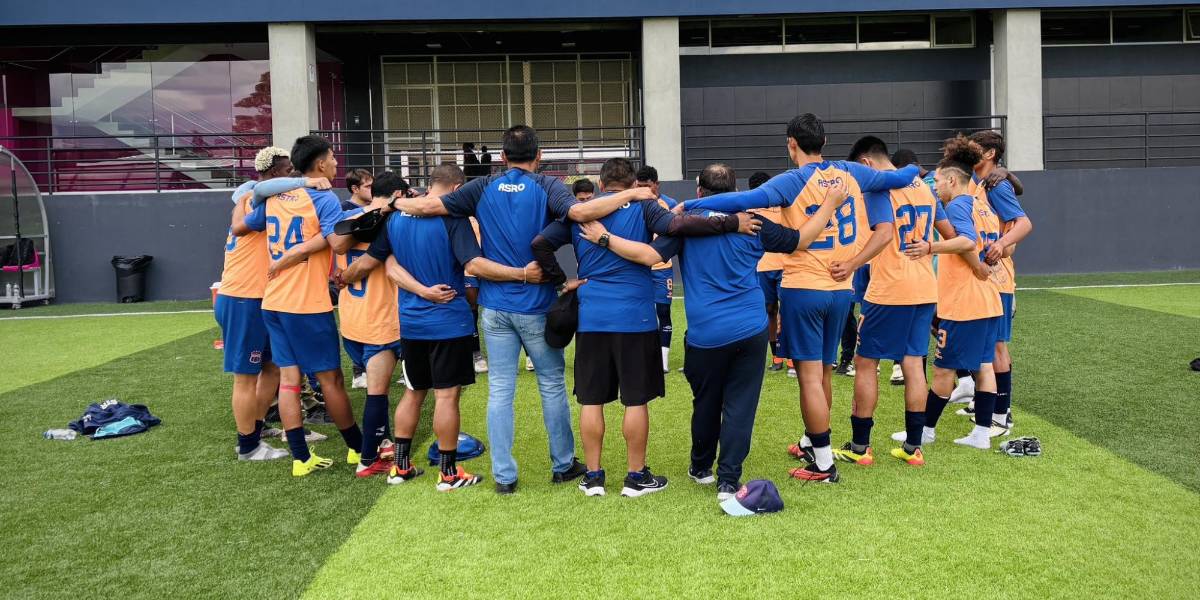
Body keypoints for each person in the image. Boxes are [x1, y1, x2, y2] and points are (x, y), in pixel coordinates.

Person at [385, 125, 654, 494]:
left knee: (500, 390)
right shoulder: (546, 185)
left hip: (494, 307)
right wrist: (637, 194)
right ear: (539, 156)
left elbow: (429, 205)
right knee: (551, 385)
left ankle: (504, 476)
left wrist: (396, 202)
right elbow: (581, 212)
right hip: (536, 305)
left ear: (502, 157)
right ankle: (562, 465)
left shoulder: (482, 186)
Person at [580, 163, 844, 501]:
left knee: (706, 402)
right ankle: (728, 480)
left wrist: (604, 238)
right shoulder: (753, 223)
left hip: (705, 334)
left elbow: (649, 256)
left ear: (699, 191)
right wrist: (830, 203)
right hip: (749, 330)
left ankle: (702, 467)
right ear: (736, 191)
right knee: (740, 406)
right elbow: (801, 239)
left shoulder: (687, 225)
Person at [681, 113, 920, 484]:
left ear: (791, 143)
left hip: (804, 286)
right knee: (823, 371)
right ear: (823, 143)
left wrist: (690, 207)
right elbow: (900, 176)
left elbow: (743, 199)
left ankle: (823, 464)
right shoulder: (851, 172)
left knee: (809, 376)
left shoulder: (792, 180)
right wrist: (917, 169)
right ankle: (814, 440)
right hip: (842, 287)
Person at [532, 157, 756, 498]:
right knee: (635, 400)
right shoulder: (645, 208)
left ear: (602, 184)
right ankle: (635, 477)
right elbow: (679, 227)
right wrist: (730, 223)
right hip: (634, 317)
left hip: (592, 318)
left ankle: (593, 477)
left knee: (591, 400)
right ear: (633, 183)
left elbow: (540, 244)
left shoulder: (582, 212)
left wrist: (564, 281)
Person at [339, 168, 533, 491]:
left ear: (430, 185)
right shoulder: (452, 218)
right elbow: (472, 266)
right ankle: (448, 472)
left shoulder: (395, 219)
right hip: (449, 320)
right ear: (456, 188)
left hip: (411, 324)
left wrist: (347, 280)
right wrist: (522, 275)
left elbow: (384, 265)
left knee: (415, 392)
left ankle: (400, 468)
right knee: (447, 396)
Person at [231, 135, 364, 477]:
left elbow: (244, 225)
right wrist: (368, 220)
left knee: (289, 379)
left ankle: (301, 458)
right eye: (333, 158)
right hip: (305, 302)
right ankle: (358, 449)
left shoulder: (275, 194)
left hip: (273, 300)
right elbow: (337, 244)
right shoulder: (323, 197)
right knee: (331, 379)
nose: (337, 164)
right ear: (320, 164)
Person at [832, 136, 945, 467]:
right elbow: (949, 233)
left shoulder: (878, 189)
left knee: (867, 362)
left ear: (866, 163)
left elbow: (883, 235)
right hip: (924, 287)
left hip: (891, 289)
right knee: (913, 362)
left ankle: (860, 446)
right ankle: (913, 447)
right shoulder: (924, 187)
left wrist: (851, 265)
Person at [890, 135, 1003, 451]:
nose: (934, 185)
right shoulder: (982, 206)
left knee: (942, 370)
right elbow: (992, 246)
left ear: (953, 180)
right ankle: (981, 433)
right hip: (987, 298)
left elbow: (966, 242)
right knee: (983, 366)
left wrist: (930, 247)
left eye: (938, 180)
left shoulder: (958, 207)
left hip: (964, 303)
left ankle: (925, 431)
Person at [218, 146, 329, 461]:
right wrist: (306, 184)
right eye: (289, 171)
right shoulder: (255, 195)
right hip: (244, 297)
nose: (293, 176)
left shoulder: (255, 198)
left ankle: (257, 426)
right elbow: (258, 189)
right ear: (278, 173)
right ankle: (248, 446)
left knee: (273, 368)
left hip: (259, 296)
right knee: (246, 374)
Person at [330, 171, 407, 478]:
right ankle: (368, 459)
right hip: (379, 317)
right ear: (397, 196)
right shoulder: (389, 221)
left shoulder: (351, 216)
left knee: (378, 390)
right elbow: (372, 262)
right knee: (378, 391)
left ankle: (384, 443)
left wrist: (341, 278)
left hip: (351, 318)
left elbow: (336, 245)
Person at [967, 130, 1033, 436]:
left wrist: (1000, 244)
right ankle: (986, 404)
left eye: (974, 148)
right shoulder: (981, 182)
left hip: (998, 278)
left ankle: (1002, 415)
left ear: (990, 153)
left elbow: (1023, 224)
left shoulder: (997, 185)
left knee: (995, 346)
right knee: (983, 344)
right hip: (983, 276)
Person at [636, 165, 678, 373]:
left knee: (663, 311)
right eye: (640, 186)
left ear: (656, 185)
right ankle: (642, 355)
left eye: (648, 186)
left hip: (662, 268)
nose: (644, 190)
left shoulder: (670, 204)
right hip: (639, 268)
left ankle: (663, 360)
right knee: (640, 311)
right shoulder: (632, 204)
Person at [747, 171, 788, 374]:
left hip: (785, 266)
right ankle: (776, 356)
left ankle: (791, 358)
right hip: (762, 268)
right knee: (769, 310)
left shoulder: (784, 206)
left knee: (787, 311)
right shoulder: (749, 211)